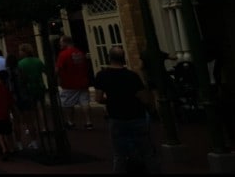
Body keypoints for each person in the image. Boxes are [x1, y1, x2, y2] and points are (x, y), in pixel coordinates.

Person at [94, 45, 159, 173]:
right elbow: (144, 98)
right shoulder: (132, 76)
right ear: (124, 59)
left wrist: (112, 99)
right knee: (147, 152)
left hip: (116, 117)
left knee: (119, 155)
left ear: (109, 58)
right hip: (136, 116)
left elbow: (99, 98)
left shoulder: (102, 75)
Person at [56, 35, 93, 129]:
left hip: (69, 83)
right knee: (85, 102)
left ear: (65, 42)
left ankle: (70, 122)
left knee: (68, 103)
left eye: (61, 42)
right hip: (83, 82)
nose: (60, 44)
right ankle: (88, 122)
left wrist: (57, 78)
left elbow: (58, 68)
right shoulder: (80, 52)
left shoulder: (63, 54)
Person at [16, 42, 48, 149]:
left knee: (31, 110)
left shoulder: (21, 64)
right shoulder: (38, 61)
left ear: (24, 52)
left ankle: (33, 127)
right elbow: (45, 71)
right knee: (40, 107)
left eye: (20, 51)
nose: (19, 53)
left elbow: (20, 79)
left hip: (29, 88)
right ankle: (43, 126)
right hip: (40, 86)